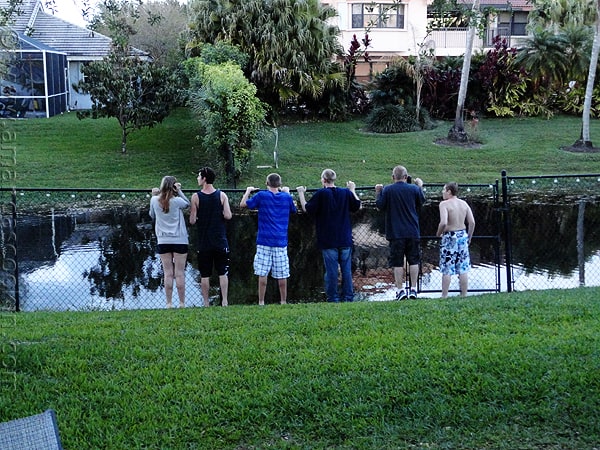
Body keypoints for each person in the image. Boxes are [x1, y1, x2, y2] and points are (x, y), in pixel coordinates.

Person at [296, 169, 361, 302]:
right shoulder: (345, 192)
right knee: (346, 271)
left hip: (328, 239)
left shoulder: (321, 194)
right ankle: (348, 297)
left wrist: (301, 193)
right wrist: (352, 189)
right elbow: (357, 205)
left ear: (323, 180)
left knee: (331, 271)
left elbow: (307, 209)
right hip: (344, 238)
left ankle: (333, 297)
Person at [240, 173, 297, 305]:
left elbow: (243, 204)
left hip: (264, 240)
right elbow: (293, 210)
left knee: (262, 272)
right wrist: (287, 192)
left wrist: (248, 191)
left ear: (267, 183)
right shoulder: (286, 197)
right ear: (280, 184)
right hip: (280, 241)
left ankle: (261, 301)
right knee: (282, 273)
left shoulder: (262, 196)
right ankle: (283, 301)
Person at [375, 165, 425, 300]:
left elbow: (380, 205)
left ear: (393, 177)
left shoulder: (388, 190)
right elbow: (422, 201)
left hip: (395, 232)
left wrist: (378, 192)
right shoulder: (414, 189)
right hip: (412, 230)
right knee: (414, 260)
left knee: (397, 262)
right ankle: (414, 289)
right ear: (406, 177)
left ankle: (400, 290)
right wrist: (419, 186)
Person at [189, 167, 233, 307]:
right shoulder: (222, 195)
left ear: (204, 179)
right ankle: (224, 301)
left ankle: (206, 302)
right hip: (220, 239)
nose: (197, 178)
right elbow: (228, 215)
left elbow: (192, 220)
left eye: (199, 176)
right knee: (223, 272)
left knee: (205, 274)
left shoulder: (196, 197)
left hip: (204, 241)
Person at [149, 176, 190, 308]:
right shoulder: (177, 201)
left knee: (168, 273)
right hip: (180, 240)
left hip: (163, 240)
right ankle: (182, 303)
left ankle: (169, 303)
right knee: (179, 273)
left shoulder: (154, 200)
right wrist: (179, 191)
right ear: (173, 187)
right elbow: (187, 203)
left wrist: (154, 195)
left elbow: (152, 215)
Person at [436, 182, 476, 298]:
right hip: (462, 235)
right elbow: (472, 222)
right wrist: (469, 237)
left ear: (449, 191)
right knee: (463, 267)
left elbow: (443, 222)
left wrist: (438, 233)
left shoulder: (444, 204)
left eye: (444, 190)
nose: (442, 192)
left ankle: (444, 295)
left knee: (447, 267)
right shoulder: (464, 204)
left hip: (450, 236)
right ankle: (463, 294)